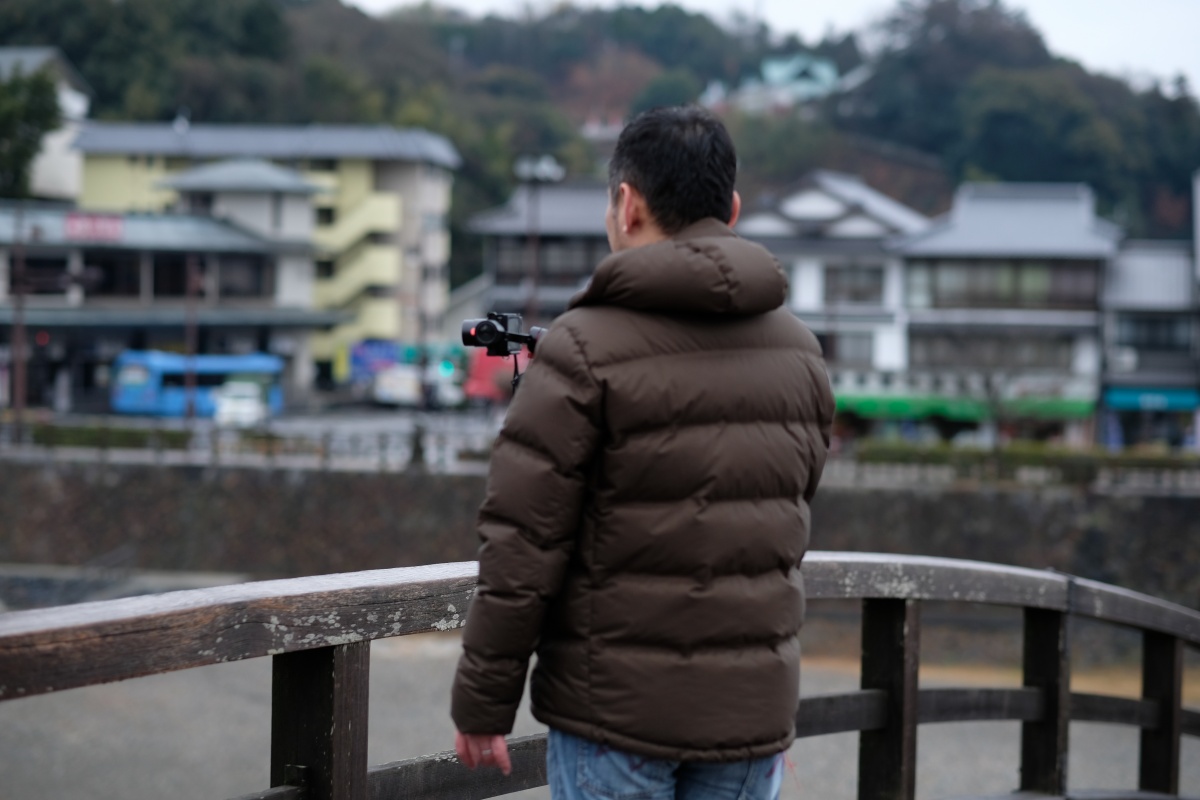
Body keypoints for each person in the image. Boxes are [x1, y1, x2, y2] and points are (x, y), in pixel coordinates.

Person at [451, 105, 835, 800]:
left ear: (626, 205)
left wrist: (484, 702)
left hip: (614, 717)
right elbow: (783, 524)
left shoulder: (584, 346)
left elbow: (524, 543)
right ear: (733, 208)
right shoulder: (801, 352)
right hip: (750, 720)